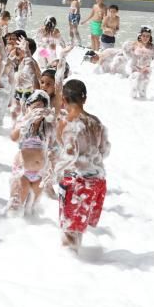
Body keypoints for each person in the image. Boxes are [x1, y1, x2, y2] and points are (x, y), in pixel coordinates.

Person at [51, 80, 109, 252]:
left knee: (69, 231)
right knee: (78, 227)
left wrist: (53, 174)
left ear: (64, 99)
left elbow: (68, 156)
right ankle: (78, 265)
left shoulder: (67, 123)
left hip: (77, 182)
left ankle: (71, 268)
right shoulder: (96, 122)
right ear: (84, 99)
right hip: (97, 181)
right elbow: (104, 151)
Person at [122, 25, 154, 100]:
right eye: (143, 35)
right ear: (140, 36)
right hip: (135, 69)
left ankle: (143, 105)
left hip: (146, 70)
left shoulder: (152, 47)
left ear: (150, 37)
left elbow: (153, 59)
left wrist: (147, 67)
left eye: (148, 36)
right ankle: (133, 103)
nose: (145, 38)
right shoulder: (134, 44)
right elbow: (126, 52)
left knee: (143, 91)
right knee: (134, 88)